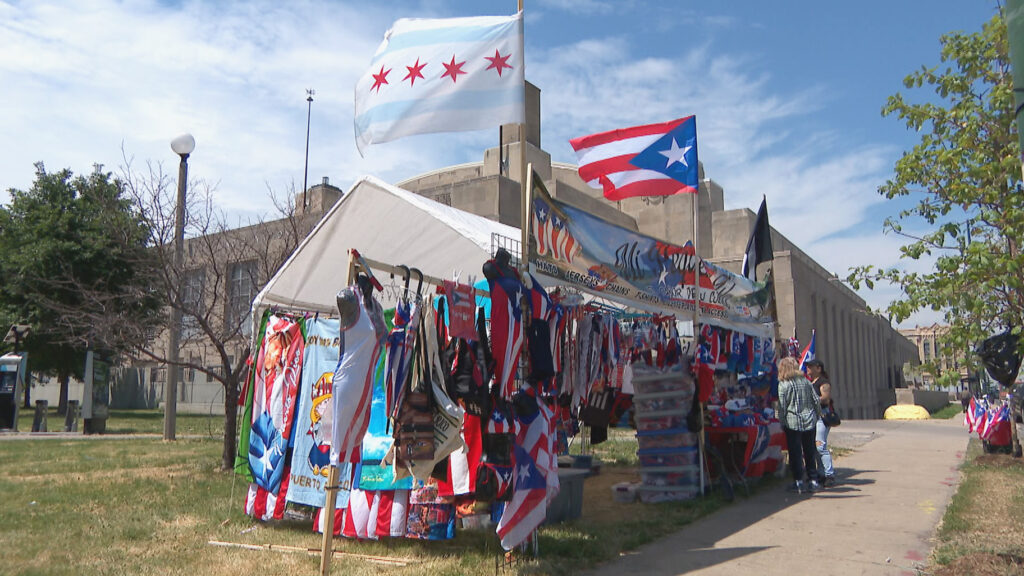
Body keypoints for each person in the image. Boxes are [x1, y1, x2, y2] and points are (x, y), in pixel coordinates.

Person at [777, 356, 821, 493]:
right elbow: (816, 401)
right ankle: (813, 480)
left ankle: (798, 481)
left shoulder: (783, 385)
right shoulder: (806, 382)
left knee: (795, 453)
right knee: (809, 451)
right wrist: (817, 415)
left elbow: (782, 407)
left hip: (792, 422)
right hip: (809, 421)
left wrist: (782, 422)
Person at [805, 358, 836, 487]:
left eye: (810, 367)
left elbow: (825, 399)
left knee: (820, 446)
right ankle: (820, 473)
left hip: (822, 417)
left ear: (818, 368)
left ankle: (829, 474)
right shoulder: (812, 382)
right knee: (814, 448)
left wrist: (812, 399)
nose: (808, 370)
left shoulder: (824, 383)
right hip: (812, 417)